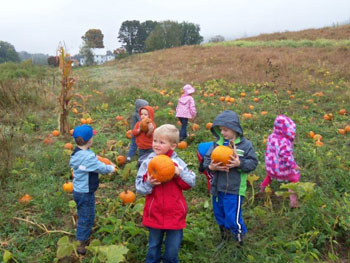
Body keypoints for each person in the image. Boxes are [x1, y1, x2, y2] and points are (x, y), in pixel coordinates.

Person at [135, 124, 196, 263]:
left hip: (175, 214)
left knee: (172, 250)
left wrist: (178, 174)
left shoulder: (178, 163)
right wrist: (148, 182)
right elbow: (139, 187)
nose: (156, 145)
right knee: (153, 247)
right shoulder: (148, 162)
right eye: (155, 140)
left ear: (173, 146)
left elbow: (190, 183)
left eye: (161, 142)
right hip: (155, 212)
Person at [203, 110, 258, 246]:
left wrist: (240, 164)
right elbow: (206, 160)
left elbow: (253, 163)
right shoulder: (218, 144)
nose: (223, 133)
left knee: (232, 216)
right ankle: (225, 239)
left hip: (234, 189)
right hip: (217, 187)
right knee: (219, 214)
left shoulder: (245, 146)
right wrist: (211, 167)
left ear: (235, 129)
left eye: (226, 130)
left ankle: (239, 241)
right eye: (221, 130)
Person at [70, 124, 116, 255]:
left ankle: (81, 229)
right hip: (85, 192)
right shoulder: (88, 158)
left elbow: (93, 159)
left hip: (78, 190)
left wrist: (102, 160)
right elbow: (100, 168)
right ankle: (81, 242)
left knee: (83, 211)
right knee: (87, 216)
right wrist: (111, 168)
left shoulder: (78, 153)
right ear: (90, 140)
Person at [260, 114, 301, 208]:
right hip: (282, 170)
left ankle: (262, 189)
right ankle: (293, 202)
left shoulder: (271, 137)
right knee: (295, 177)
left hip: (271, 167)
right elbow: (286, 157)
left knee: (269, 176)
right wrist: (293, 165)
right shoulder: (285, 142)